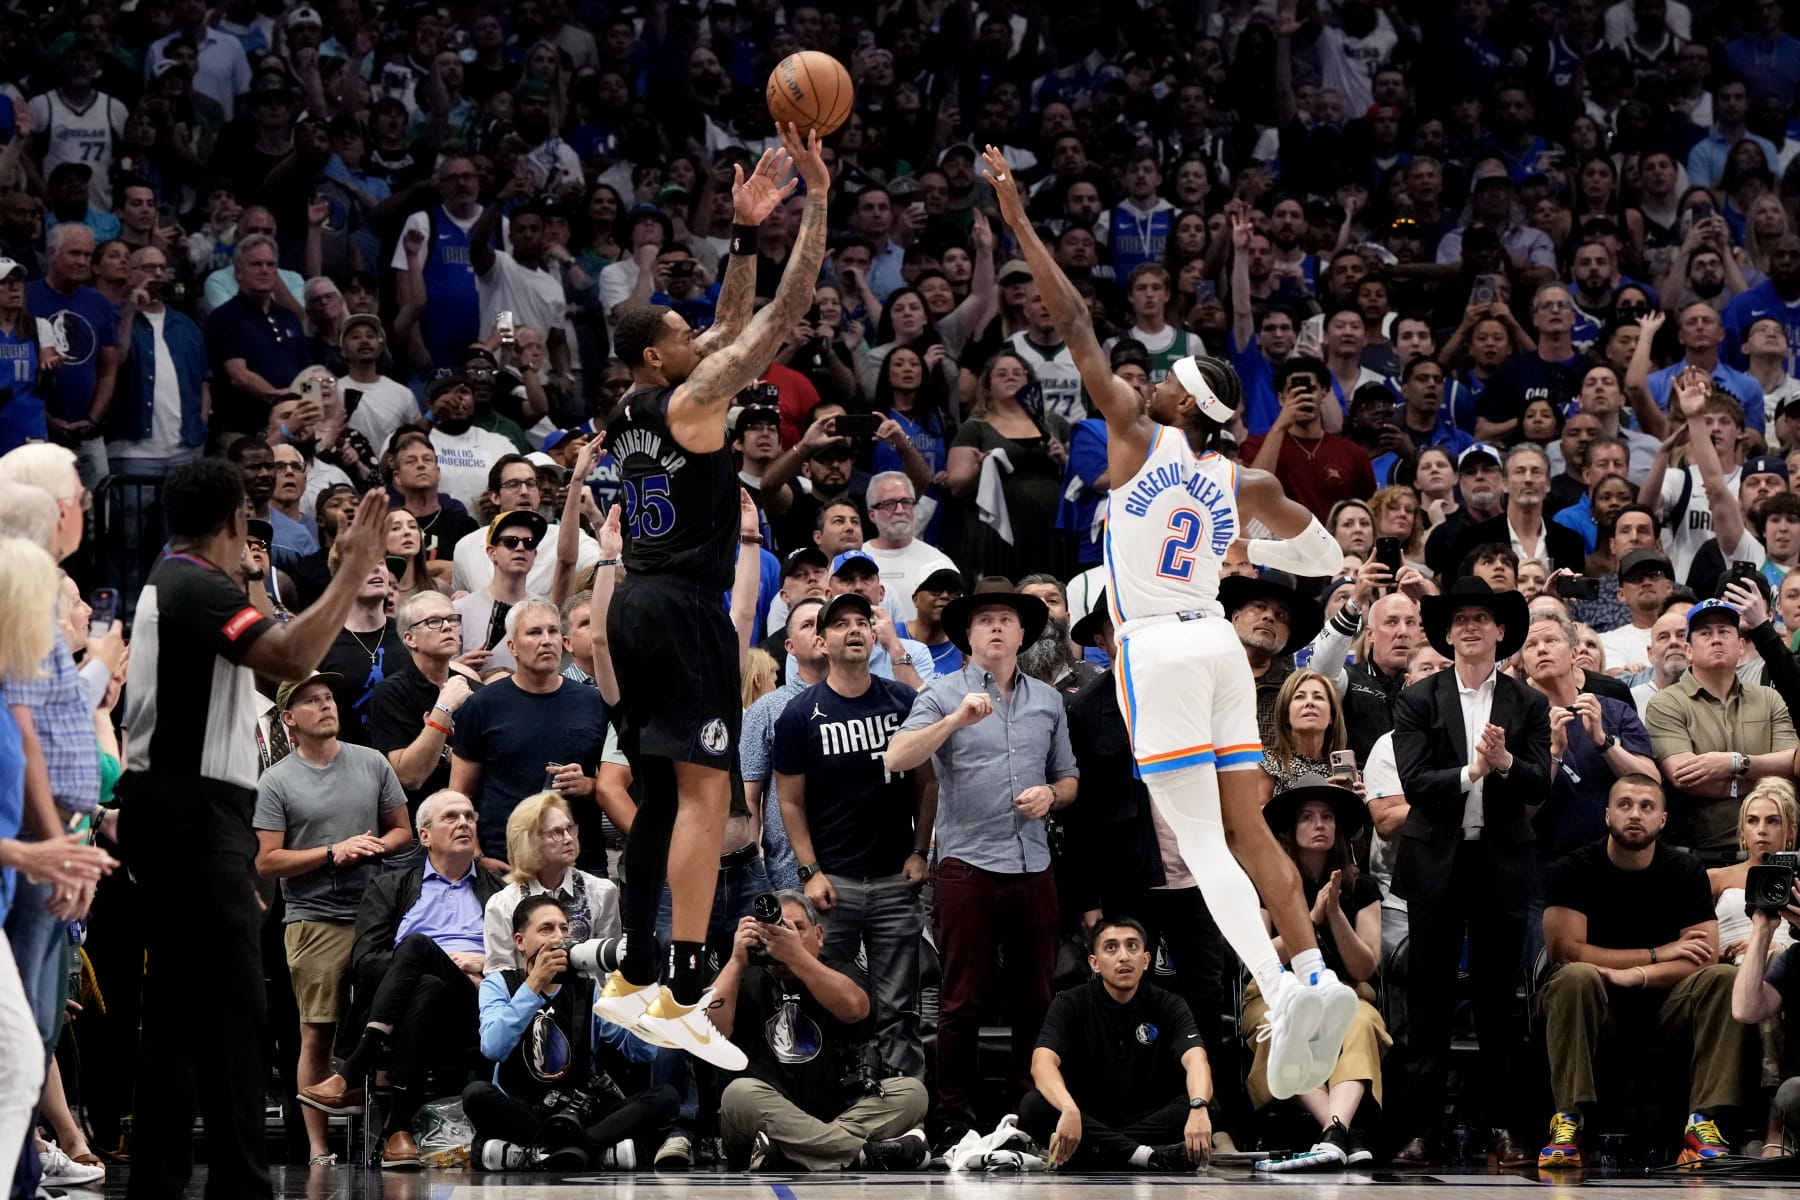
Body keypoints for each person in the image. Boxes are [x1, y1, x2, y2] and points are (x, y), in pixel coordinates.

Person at [986, 145, 1360, 1116]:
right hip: (1223, 644)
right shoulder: (1244, 482)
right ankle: (1313, 972)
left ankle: (1280, 995)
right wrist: (1314, 562)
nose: (1150, 375)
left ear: (1186, 404)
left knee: (1199, 843)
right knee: (1247, 827)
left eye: (1169, 375)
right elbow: (1319, 555)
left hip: (1155, 647)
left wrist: (1017, 216)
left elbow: (1068, 319)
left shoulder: (1133, 433)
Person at [594, 124, 828, 1068]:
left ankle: (635, 968)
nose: (699, 337)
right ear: (659, 357)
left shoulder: (635, 405)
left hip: (632, 605)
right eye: (681, 334)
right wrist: (813, 205)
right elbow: (775, 320)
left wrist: (740, 232)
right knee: (701, 795)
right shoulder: (693, 401)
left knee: (656, 797)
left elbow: (726, 332)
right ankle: (689, 985)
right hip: (684, 611)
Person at [117, 458, 389, 1200]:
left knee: (177, 1009)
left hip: (179, 809)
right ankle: (241, 1183)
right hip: (194, 812)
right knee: (237, 1005)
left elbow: (270, 661)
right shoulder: (195, 586)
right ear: (235, 520)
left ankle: (160, 1177)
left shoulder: (175, 579)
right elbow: (293, 658)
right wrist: (356, 567)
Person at [884, 583, 1077, 1141]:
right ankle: (955, 1123)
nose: (995, 627)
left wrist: (1052, 797)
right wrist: (954, 724)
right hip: (966, 865)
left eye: (1006, 620)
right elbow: (898, 756)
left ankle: (1028, 1119)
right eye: (984, 620)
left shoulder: (1048, 701)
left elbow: (1069, 778)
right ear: (967, 636)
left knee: (1035, 999)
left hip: (1033, 865)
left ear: (1023, 634)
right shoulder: (943, 694)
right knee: (961, 999)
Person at [1388, 576, 1549, 1166]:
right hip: (1436, 864)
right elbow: (1416, 785)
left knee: (1498, 1006)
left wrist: (1505, 761)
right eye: (1460, 620)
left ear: (1502, 632)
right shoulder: (1417, 699)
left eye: (1483, 617)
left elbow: (1541, 783)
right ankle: (1418, 1131)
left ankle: (1504, 1128)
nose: (1471, 626)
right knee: (1427, 1004)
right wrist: (1472, 772)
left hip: (1500, 864)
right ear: (1448, 634)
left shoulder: (1528, 702)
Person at [1538, 774, 1743, 1168]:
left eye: (1647, 807)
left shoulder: (1685, 872)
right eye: (1626, 805)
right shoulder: (1575, 868)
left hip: (1667, 1005)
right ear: (1607, 815)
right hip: (1595, 1003)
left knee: (1724, 978)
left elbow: (1704, 957)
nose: (1636, 814)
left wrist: (1639, 975)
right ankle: (1568, 1122)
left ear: (1663, 819)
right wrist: (1657, 953)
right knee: (1575, 975)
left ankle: (1703, 1122)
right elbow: (1566, 952)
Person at [296, 790, 507, 1167]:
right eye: (451, 817)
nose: (463, 823)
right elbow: (364, 963)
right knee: (424, 976)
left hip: (472, 1004)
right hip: (414, 1002)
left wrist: (483, 964)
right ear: (423, 835)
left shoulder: (500, 892)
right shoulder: (390, 887)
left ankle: (353, 1068)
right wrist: (431, 961)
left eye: (469, 817)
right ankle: (398, 1131)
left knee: (417, 947)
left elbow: (520, 962)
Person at [252, 671, 412, 1165]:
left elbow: (403, 831)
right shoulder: (276, 779)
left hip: (376, 914)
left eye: (329, 698)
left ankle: (390, 1135)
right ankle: (319, 1148)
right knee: (316, 1030)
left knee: (388, 1023)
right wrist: (331, 852)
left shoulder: (371, 762)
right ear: (289, 719)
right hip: (313, 916)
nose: (326, 706)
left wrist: (375, 847)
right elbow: (266, 861)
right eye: (312, 701)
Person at [772, 590, 933, 1078]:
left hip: (894, 877)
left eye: (861, 621)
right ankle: (835, 1096)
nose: (855, 630)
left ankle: (908, 1113)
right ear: (820, 641)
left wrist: (920, 850)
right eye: (840, 624)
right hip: (832, 883)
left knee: (900, 1007)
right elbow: (789, 802)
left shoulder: (903, 701)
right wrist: (811, 870)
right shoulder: (800, 715)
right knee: (827, 994)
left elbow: (928, 782)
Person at [711, 891, 930, 1171]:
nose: (784, 936)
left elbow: (855, 1009)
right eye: (774, 929)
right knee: (738, 1095)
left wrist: (797, 958)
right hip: (762, 1115)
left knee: (911, 1092)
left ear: (819, 935)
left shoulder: (837, 970)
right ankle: (862, 1153)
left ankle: (790, 1150)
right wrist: (736, 960)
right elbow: (712, 1033)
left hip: (835, 1111)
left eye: (797, 928)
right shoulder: (743, 976)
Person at [463, 895, 676, 1172]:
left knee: (666, 1097)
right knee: (475, 1093)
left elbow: (641, 1052)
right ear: (519, 941)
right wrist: (534, 985)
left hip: (578, 1113)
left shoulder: (588, 990)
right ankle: (590, 1153)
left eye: (564, 929)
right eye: (546, 929)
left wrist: (640, 991)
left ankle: (548, 1151)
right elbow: (493, 1047)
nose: (559, 938)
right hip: (522, 1111)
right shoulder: (499, 984)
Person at [1246, 777, 1389, 1172]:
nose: (1319, 824)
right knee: (1282, 1025)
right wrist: (1307, 921)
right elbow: (1258, 958)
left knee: (1360, 1022)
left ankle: (1332, 1133)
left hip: (1346, 990)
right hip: (1275, 993)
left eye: (1327, 817)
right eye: (1307, 817)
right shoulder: (1268, 884)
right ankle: (1339, 1129)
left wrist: (1335, 915)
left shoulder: (1363, 888)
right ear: (1292, 829)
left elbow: (1365, 967)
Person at [1020, 917, 1216, 1173]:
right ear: (1095, 963)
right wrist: (1068, 1108)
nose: (1123, 956)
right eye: (1111, 948)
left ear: (1146, 961)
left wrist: (1199, 1106)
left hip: (1145, 1116)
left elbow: (1196, 1060)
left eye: (1132, 946)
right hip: (1085, 1115)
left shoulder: (1170, 1004)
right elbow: (1041, 1063)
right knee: (1033, 1106)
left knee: (1208, 1104)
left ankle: (1098, 1151)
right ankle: (1144, 1155)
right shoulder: (1070, 1003)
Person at [1519, 612, 1660, 963]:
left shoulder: (1610, 708)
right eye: (1531, 645)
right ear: (1522, 663)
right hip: (1545, 874)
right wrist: (1552, 755)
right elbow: (1519, 814)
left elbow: (1651, 783)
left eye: (1551, 641)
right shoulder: (1515, 722)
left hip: (1619, 867)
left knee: (1628, 977)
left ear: (1572, 651)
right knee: (1553, 981)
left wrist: (1604, 741)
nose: (1542, 650)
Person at [450, 598, 609, 872]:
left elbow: (619, 784)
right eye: (534, 632)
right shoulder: (483, 705)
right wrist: (476, 856)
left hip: (581, 861)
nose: (546, 640)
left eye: (553, 631)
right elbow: (460, 794)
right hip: (505, 862)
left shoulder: (594, 702)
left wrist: (589, 785)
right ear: (512, 646)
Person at [1645, 598, 1799, 857]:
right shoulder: (1665, 703)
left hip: (1777, 849)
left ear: (1740, 646)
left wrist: (1734, 763)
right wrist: (1763, 779)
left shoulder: (1769, 698)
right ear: (1689, 650)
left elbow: (1792, 766)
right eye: (1705, 633)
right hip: (1704, 849)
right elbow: (1684, 777)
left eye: (1724, 632)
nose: (1716, 639)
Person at [369, 590, 483, 820]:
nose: (447, 627)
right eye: (433, 622)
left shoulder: (476, 692)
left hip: (473, 819)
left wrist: (449, 752)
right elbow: (410, 776)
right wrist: (443, 708)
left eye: (452, 619)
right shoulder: (391, 693)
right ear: (410, 638)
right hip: (419, 827)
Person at [481, 791, 620, 975]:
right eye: (556, 832)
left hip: (590, 1000)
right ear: (529, 841)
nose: (569, 838)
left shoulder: (602, 892)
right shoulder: (502, 904)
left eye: (570, 828)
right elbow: (498, 974)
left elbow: (612, 968)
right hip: (529, 999)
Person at [1241, 355, 1377, 519]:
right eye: (1294, 391)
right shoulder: (1256, 445)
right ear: (1281, 398)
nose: (1303, 397)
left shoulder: (1353, 453)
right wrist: (1279, 426)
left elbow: (1368, 510)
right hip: (1279, 541)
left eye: (1310, 390)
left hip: (1335, 542)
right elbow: (1255, 492)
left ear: (1324, 393)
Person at [1221, 567, 1326, 745]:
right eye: (1260, 607)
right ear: (1235, 617)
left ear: (1287, 635)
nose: (1269, 617)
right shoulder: (1206, 674)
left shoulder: (1296, 692)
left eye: (1281, 615)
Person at [455, 510, 546, 674]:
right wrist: (456, 667)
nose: (520, 547)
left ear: (535, 554)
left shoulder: (544, 610)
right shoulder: (460, 609)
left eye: (529, 542)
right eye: (511, 542)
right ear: (491, 552)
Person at [859, 472, 957, 621]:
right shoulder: (854, 560)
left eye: (906, 502)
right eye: (889, 504)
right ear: (872, 515)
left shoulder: (938, 562)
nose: (900, 510)